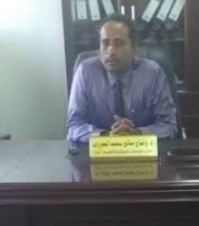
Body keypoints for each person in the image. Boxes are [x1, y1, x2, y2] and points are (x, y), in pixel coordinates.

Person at [66, 14, 177, 142]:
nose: (111, 50)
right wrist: (106, 135)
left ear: (134, 49)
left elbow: (169, 125)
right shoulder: (86, 72)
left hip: (143, 150)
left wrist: (136, 134)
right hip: (98, 151)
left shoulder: (152, 73)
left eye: (118, 43)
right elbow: (74, 126)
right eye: (105, 43)